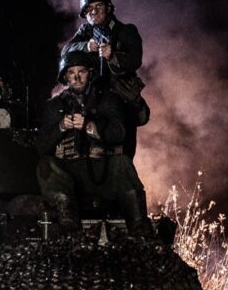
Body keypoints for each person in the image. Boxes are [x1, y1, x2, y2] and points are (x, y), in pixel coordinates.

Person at [35, 51, 150, 234]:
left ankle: (141, 230)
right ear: (65, 77)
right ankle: (69, 226)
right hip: (70, 175)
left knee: (122, 163)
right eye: (71, 73)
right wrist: (61, 127)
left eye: (82, 71)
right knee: (45, 165)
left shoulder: (108, 99)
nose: (77, 78)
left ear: (90, 73)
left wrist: (90, 126)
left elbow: (119, 132)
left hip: (102, 170)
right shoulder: (53, 106)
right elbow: (41, 146)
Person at [61, 0, 149, 159]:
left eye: (98, 7)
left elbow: (135, 60)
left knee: (123, 152)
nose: (93, 12)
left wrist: (113, 56)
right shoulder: (85, 32)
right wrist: (85, 46)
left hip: (121, 100)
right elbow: (66, 52)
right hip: (93, 102)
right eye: (89, 9)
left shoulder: (126, 31)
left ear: (108, 8)